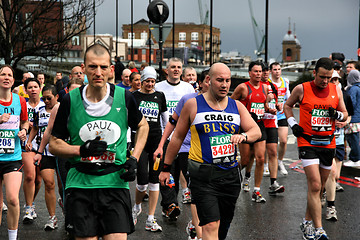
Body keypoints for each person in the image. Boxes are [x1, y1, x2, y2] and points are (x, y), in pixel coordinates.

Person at [49, 43, 149, 239]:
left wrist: (134, 158)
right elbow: (54, 144)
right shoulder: (70, 101)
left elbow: (143, 126)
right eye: (93, 67)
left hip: (115, 184)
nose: (98, 72)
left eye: (103, 67)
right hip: (80, 184)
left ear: (111, 69)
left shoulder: (124, 97)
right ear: (84, 68)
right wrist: (81, 150)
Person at [159, 63, 261, 240]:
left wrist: (243, 136)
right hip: (203, 176)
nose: (224, 85)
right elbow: (177, 138)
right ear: (208, 80)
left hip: (230, 176)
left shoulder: (236, 106)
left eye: (228, 81)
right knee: (210, 224)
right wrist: (166, 167)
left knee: (222, 227)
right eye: (220, 80)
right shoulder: (193, 105)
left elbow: (256, 131)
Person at [284, 57, 348, 240]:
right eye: (322, 77)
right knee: (314, 184)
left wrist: (336, 114)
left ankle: (306, 222)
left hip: (328, 143)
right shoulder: (301, 89)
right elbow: (287, 105)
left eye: (328, 77)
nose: (325, 81)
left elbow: (344, 114)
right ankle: (319, 230)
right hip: (307, 142)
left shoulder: (336, 90)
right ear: (314, 73)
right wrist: (292, 123)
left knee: (319, 189)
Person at [154, 57, 195, 219]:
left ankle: (172, 204)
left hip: (184, 138)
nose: (176, 69)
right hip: (165, 136)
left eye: (179, 67)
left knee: (180, 172)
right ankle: (170, 204)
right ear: (166, 70)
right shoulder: (158, 87)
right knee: (166, 171)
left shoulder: (188, 88)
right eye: (173, 67)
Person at [131, 66, 167, 232]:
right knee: (142, 180)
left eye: (153, 81)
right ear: (141, 82)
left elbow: (165, 121)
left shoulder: (160, 96)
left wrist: (164, 142)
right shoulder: (134, 96)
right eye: (147, 81)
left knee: (155, 178)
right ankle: (137, 206)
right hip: (139, 141)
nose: (150, 84)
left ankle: (151, 218)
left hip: (155, 142)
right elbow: (128, 120)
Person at [231, 61, 270, 203]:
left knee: (260, 158)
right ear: (249, 73)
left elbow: (263, 105)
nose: (259, 74)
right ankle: (233, 176)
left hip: (259, 126)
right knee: (246, 160)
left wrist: (270, 108)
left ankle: (257, 191)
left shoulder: (265, 88)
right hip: (245, 128)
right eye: (255, 71)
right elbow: (230, 103)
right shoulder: (243, 88)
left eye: (260, 71)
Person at [0, 65, 29, 240]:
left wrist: (24, 131)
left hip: (13, 156)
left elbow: (25, 122)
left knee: (12, 199)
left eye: (9, 75)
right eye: (2, 74)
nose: (6, 77)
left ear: (13, 80)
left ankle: (13, 238)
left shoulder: (19, 100)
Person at [26, 85, 59, 230]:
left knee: (64, 185)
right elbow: (35, 128)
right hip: (45, 152)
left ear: (57, 97)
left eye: (49, 98)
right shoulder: (39, 111)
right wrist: (29, 141)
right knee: (49, 183)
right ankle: (52, 218)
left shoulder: (63, 110)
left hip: (61, 152)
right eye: (43, 98)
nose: (45, 101)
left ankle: (69, 214)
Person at [324, 70, 351, 221]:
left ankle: (330, 206)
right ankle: (323, 193)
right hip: (320, 140)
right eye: (331, 79)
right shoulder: (320, 93)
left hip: (337, 139)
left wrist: (342, 119)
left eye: (335, 79)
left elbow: (348, 114)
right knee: (324, 175)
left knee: (334, 173)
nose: (333, 82)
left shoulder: (343, 95)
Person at [22, 78, 45, 224]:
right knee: (30, 176)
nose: (33, 89)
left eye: (35, 86)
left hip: (42, 145)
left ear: (40, 88)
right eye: (29, 87)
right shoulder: (23, 105)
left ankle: (31, 203)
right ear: (25, 90)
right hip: (27, 144)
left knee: (38, 179)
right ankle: (28, 208)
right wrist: (24, 124)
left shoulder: (46, 105)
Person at [260, 63, 285, 194]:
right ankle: (244, 177)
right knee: (253, 157)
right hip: (258, 123)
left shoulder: (274, 87)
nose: (264, 73)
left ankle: (273, 183)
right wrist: (266, 101)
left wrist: (278, 106)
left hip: (271, 123)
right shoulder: (255, 87)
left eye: (266, 71)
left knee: (273, 153)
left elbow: (275, 103)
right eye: (261, 71)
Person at [269, 62, 291, 175]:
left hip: (281, 114)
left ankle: (280, 161)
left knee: (283, 140)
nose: (277, 71)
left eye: (279, 69)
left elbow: (289, 97)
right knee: (268, 143)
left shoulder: (285, 81)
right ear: (270, 71)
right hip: (270, 115)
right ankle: (265, 165)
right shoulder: (267, 83)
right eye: (274, 69)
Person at [343, 69, 360, 167]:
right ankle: (354, 158)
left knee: (352, 139)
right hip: (358, 117)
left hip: (353, 118)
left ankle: (355, 158)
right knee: (355, 139)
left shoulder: (353, 89)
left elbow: (351, 103)